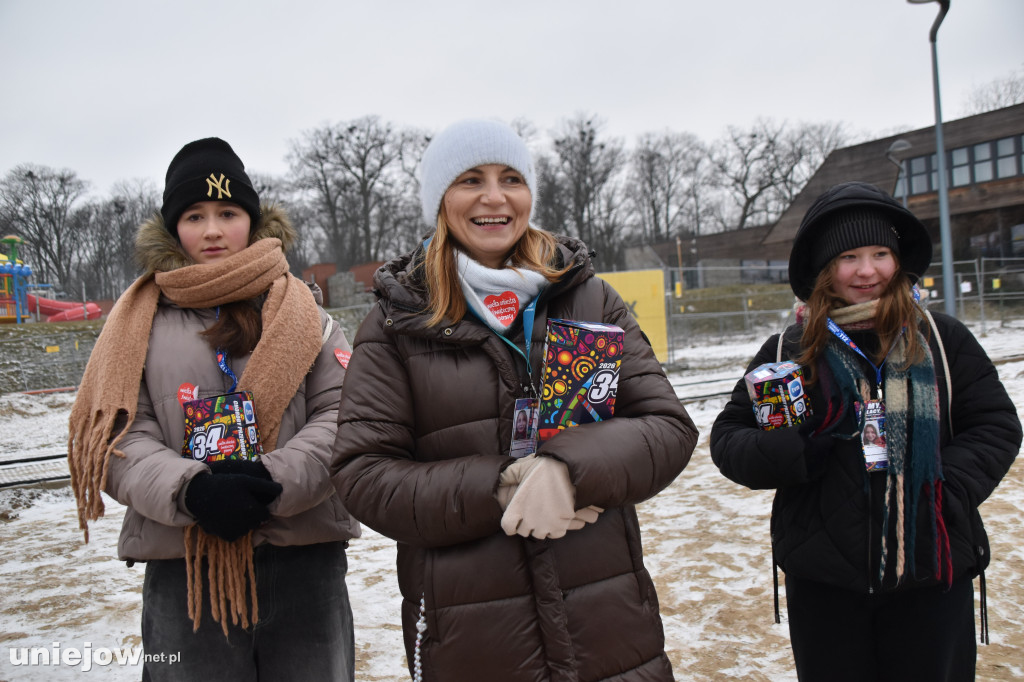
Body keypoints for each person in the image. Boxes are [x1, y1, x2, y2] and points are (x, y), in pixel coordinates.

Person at [331, 119, 697, 681]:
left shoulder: (589, 298)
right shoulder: (396, 323)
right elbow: (364, 473)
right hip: (473, 635)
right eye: (470, 180)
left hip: (608, 624)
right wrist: (499, 487)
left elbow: (667, 426)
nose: (495, 198)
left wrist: (569, 471)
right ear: (440, 200)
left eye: (511, 179)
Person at [68, 138, 360, 681]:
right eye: (194, 216)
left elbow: (343, 416)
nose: (212, 231)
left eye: (228, 213)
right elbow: (119, 434)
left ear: (253, 221)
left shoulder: (307, 315)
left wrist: (270, 480)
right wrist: (192, 490)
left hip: (303, 558)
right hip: (184, 568)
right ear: (172, 228)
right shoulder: (136, 325)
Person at [710, 181, 1021, 681]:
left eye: (880, 254)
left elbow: (996, 425)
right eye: (848, 257)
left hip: (931, 569)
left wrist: (946, 489)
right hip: (825, 584)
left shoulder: (941, 338)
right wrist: (794, 451)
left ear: (898, 260)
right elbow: (729, 439)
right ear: (824, 269)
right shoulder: (789, 350)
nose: (867, 271)